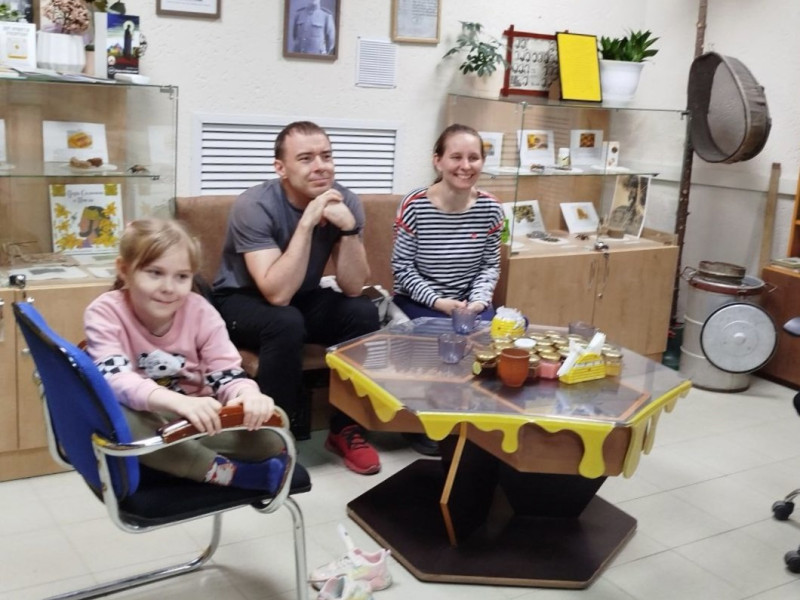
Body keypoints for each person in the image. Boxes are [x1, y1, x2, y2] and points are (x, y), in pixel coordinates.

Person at [212, 121, 381, 475]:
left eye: (326, 156)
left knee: (362, 312)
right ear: (281, 168)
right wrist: (307, 222)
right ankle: (273, 441)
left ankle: (346, 428)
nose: (320, 166)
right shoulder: (253, 205)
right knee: (285, 321)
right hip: (239, 300)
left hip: (301, 295)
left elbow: (353, 286)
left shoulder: (345, 200)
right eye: (306, 159)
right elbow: (276, 293)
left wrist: (349, 228)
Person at [83, 219, 287, 493]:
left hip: (198, 419)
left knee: (273, 434)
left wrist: (248, 395)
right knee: (120, 421)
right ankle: (227, 473)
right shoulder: (104, 311)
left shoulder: (201, 312)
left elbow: (227, 374)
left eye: (182, 276)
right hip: (145, 416)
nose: (169, 287)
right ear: (124, 270)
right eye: (155, 273)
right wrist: (178, 402)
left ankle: (172, 459)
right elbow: (115, 379)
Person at [392, 123, 504, 321]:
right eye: (456, 157)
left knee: (500, 331)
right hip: (419, 301)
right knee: (441, 333)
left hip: (470, 303)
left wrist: (478, 303)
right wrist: (437, 302)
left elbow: (489, 266)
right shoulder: (414, 205)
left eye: (473, 158)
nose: (466, 166)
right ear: (438, 161)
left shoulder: (492, 208)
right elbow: (402, 267)